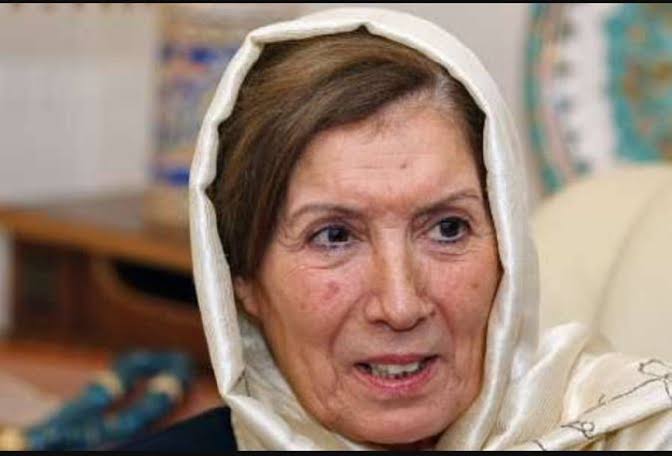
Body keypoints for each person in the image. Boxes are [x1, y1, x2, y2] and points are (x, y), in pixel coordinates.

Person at [123, 7, 672, 450]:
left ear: (508, 249)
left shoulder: (630, 430)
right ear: (240, 277)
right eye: (334, 236)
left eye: (448, 229)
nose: (401, 304)